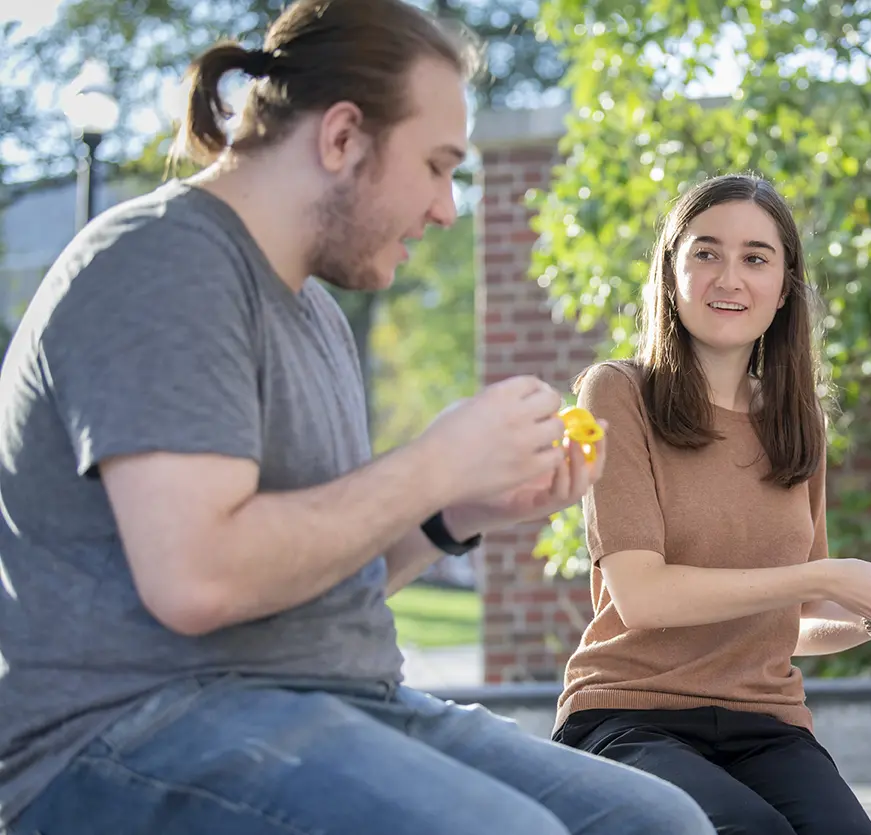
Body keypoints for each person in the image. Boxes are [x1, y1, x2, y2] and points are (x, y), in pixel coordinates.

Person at [0, 2, 715, 834]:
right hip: (121, 735)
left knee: (657, 822)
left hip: (336, 701)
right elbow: (200, 578)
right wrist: (434, 463)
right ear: (342, 137)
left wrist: (458, 514)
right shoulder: (164, 263)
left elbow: (323, 569)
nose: (449, 207)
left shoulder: (313, 313)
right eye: (438, 165)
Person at [548, 172, 871, 835]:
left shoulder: (797, 423)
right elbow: (644, 597)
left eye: (755, 257)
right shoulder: (615, 394)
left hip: (765, 726)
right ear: (671, 274)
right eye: (706, 252)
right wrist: (829, 576)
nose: (730, 277)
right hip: (629, 717)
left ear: (783, 289)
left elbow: (798, 618)